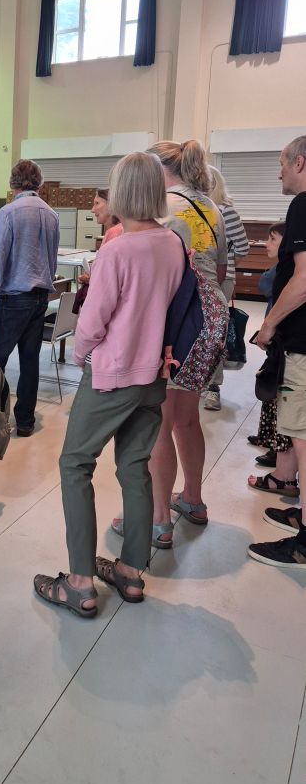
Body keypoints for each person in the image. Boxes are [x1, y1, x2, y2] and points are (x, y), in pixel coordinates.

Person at [33, 153, 183, 617]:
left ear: (121, 192)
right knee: (135, 468)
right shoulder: (172, 243)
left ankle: (79, 582)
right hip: (152, 375)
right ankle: (132, 572)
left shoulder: (117, 250)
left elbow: (93, 320)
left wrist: (81, 355)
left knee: (74, 464)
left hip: (112, 374)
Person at [140, 140, 228, 548]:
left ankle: (157, 519)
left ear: (160, 170)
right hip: (210, 318)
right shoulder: (211, 207)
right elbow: (220, 270)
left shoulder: (162, 208)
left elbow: (157, 274)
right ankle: (192, 498)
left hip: (177, 322)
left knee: (159, 417)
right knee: (186, 417)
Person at [248, 137, 306, 569]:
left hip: (302, 341)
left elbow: (303, 280)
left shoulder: (303, 204)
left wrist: (268, 325)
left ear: (299, 162)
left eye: (282, 163)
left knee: (302, 434)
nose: (279, 171)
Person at [0, 160, 60, 437]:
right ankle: (25, 422)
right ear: (39, 182)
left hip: (12, 298)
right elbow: (52, 260)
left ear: (12, 182)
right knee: (30, 362)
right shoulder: (51, 214)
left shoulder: (8, 213)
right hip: (40, 297)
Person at [203, 165, 249, 411]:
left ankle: (213, 386)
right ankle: (199, 380)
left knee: (215, 332)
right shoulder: (194, 209)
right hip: (197, 280)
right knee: (200, 332)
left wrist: (228, 266)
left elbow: (242, 247)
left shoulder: (225, 211)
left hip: (221, 279)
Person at [248, 222, 290, 468]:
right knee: (270, 389)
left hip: (283, 339)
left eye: (272, 239)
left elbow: (265, 283)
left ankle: (277, 448)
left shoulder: (285, 268)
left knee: (277, 393)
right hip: (277, 339)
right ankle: (267, 436)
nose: (266, 244)